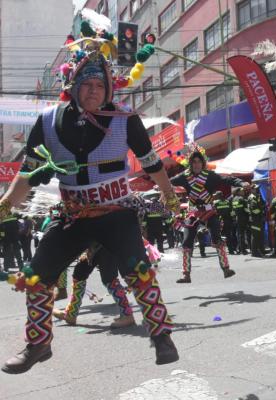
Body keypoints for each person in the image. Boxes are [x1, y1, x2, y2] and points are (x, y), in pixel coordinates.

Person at [1, 26, 179, 373]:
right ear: (73, 86)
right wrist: (4, 207)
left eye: (100, 85)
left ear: (109, 88)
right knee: (37, 274)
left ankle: (161, 336)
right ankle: (38, 344)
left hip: (117, 211)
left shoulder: (125, 120)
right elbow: (27, 175)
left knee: (137, 268)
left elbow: (152, 163)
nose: (94, 90)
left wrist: (170, 196)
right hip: (73, 214)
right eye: (87, 84)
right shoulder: (48, 122)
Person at [170, 145, 246, 283]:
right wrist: (159, 186)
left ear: (203, 163)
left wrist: (241, 182)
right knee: (186, 242)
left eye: (199, 162)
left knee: (217, 239)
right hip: (192, 212)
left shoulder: (210, 175)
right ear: (190, 164)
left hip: (209, 211)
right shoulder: (185, 176)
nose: (197, 164)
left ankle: (226, 269)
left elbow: (227, 179)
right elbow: (170, 182)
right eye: (194, 162)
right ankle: (186, 274)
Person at [52, 244, 135, 329]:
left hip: (105, 244)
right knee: (79, 274)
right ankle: (71, 314)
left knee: (109, 278)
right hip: (95, 246)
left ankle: (127, 315)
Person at [213, 190, 237, 254]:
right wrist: (233, 219)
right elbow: (232, 211)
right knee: (229, 235)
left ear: (218, 195)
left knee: (219, 236)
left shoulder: (215, 202)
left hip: (219, 221)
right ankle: (231, 250)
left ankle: (221, 250)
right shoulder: (227, 201)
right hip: (228, 221)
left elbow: (214, 212)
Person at [248, 184, 267, 257]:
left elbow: (263, 204)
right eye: (256, 189)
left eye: (258, 188)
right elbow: (254, 210)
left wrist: (262, 208)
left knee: (260, 235)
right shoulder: (252, 198)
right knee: (255, 236)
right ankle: (254, 252)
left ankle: (261, 250)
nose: (258, 190)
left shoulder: (258, 196)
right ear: (252, 190)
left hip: (259, 218)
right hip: (254, 219)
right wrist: (261, 209)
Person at [232, 187, 250, 255]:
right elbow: (246, 209)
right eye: (242, 191)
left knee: (239, 234)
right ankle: (243, 250)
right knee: (242, 234)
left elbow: (233, 210)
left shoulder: (234, 199)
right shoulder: (241, 199)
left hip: (237, 218)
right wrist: (250, 214)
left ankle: (240, 249)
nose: (243, 192)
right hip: (243, 218)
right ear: (238, 192)